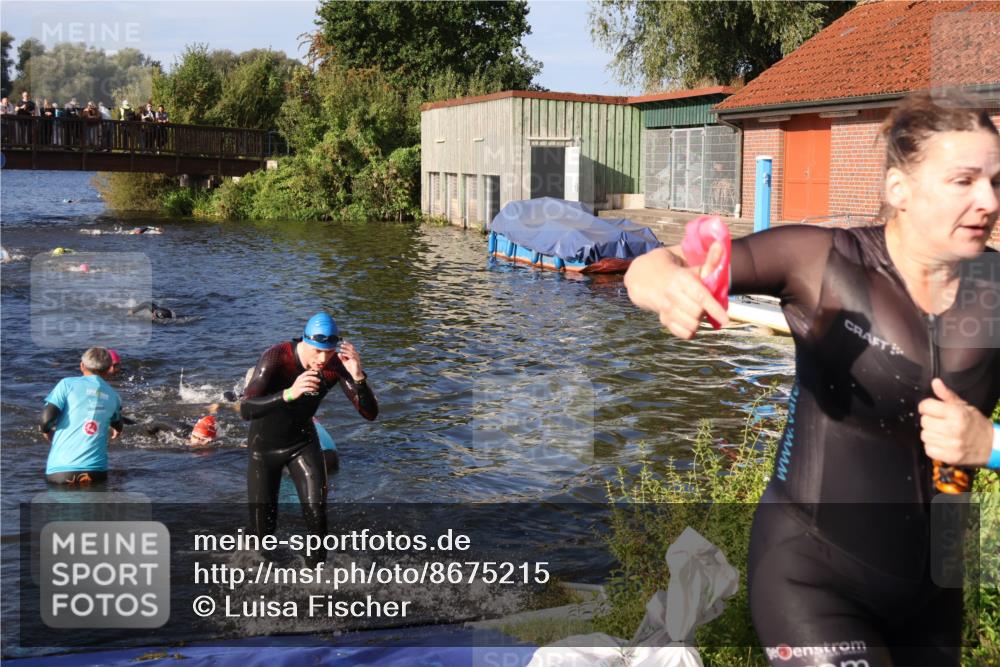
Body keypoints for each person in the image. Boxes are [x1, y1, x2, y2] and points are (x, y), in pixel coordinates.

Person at [622, 91, 1000, 666]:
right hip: (813, 574)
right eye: (964, 181)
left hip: (937, 589)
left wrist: (989, 444)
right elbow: (652, 266)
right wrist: (667, 287)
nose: (988, 201)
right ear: (900, 189)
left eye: (996, 181)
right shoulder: (824, 262)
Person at [240, 313, 378, 565]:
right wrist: (289, 394)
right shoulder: (276, 357)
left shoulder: (335, 365)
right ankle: (261, 578)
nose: (322, 359)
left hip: (302, 443)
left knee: (317, 513)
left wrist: (358, 377)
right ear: (305, 341)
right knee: (263, 532)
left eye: (328, 352)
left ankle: (317, 576)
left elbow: (370, 413)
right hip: (264, 448)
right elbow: (246, 409)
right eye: (317, 351)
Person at [39, 348, 124, 485]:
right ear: (109, 368)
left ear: (82, 366)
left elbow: (46, 420)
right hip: (96, 473)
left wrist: (46, 431)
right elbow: (118, 424)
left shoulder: (66, 384)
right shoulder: (114, 397)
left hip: (61, 471)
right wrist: (116, 429)